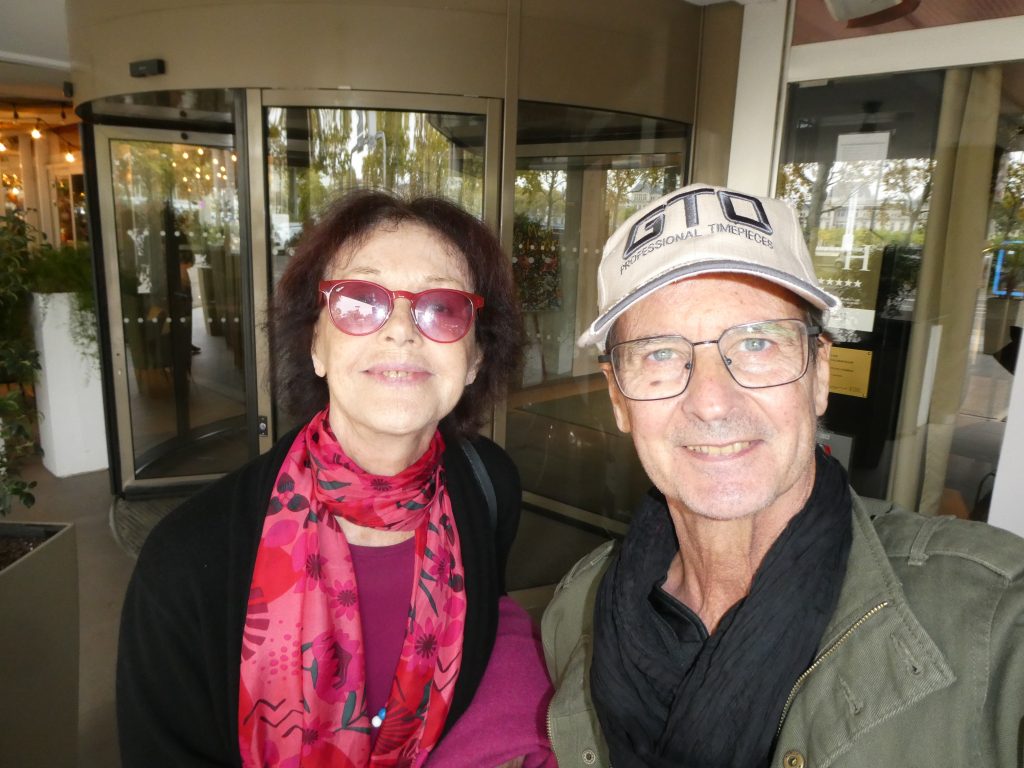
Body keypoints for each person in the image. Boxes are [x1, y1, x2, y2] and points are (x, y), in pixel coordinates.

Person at [542, 182, 1024, 767]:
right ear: (619, 399)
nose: (711, 402)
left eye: (757, 343)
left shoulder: (995, 621)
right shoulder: (578, 610)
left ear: (819, 375)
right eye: (660, 354)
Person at [118, 189, 555, 767]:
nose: (401, 331)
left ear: (475, 358)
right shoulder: (185, 562)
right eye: (360, 301)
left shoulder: (488, 487)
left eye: (442, 307)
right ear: (315, 344)